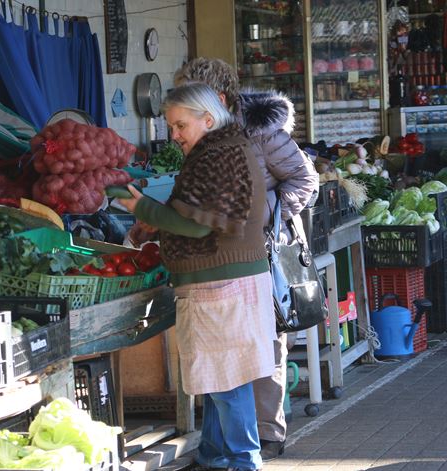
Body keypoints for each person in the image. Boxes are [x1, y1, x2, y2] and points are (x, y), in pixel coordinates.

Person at [118, 82, 275, 471]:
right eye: (172, 126)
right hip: (222, 286)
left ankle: (243, 461)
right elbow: (195, 213)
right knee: (219, 379)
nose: (174, 135)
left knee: (227, 382)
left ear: (208, 119)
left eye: (180, 125)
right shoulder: (220, 148)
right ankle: (213, 457)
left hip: (222, 287)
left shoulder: (220, 154)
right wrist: (156, 221)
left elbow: (201, 225)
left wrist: (145, 209)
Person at [168, 57, 319, 461]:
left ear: (214, 99)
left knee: (263, 343)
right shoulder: (206, 137)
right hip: (231, 252)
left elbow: (305, 179)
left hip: (268, 249)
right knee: (231, 354)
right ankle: (223, 449)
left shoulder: (260, 132)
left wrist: (265, 214)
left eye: (188, 96)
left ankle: (266, 431)